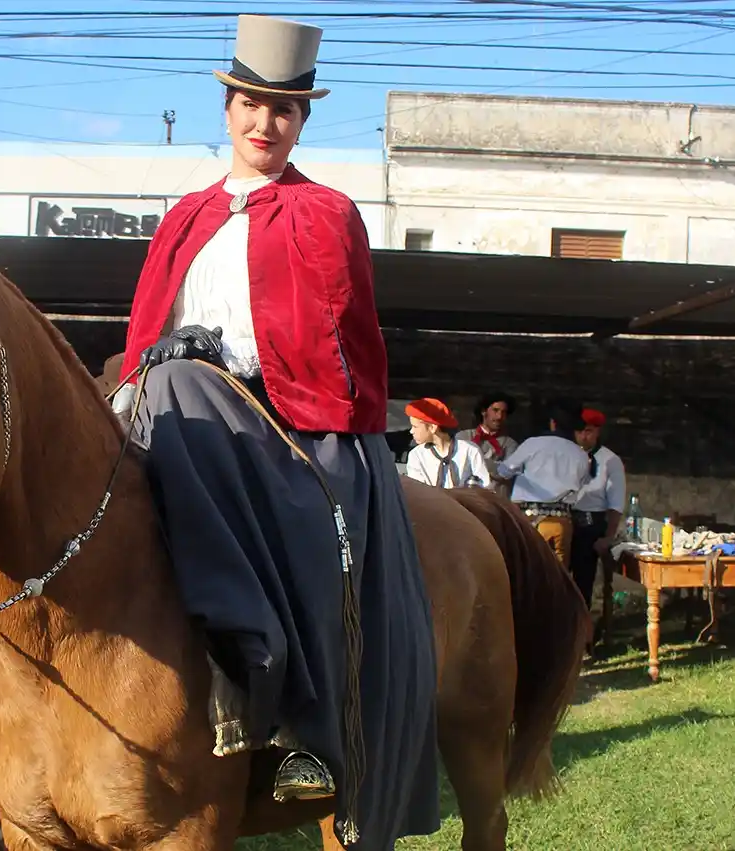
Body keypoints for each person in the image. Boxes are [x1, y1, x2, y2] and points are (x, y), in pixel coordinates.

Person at [112, 14, 438, 848]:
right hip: (177, 404)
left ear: (301, 122)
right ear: (226, 109)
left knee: (305, 528)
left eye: (284, 110)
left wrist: (211, 357)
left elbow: (337, 343)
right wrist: (157, 360)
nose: (266, 123)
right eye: (252, 104)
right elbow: (149, 327)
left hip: (293, 418)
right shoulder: (184, 216)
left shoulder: (327, 213)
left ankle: (292, 712)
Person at [496, 400, 592, 569]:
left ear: (552, 423)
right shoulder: (581, 455)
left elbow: (504, 471)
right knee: (558, 574)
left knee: (527, 570)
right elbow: (583, 483)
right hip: (562, 521)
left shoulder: (533, 444)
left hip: (529, 519)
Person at [571, 408, 626, 612]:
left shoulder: (610, 461)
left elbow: (616, 502)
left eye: (588, 431)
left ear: (597, 432)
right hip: (565, 522)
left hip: (590, 525)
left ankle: (583, 634)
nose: (583, 436)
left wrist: (608, 537)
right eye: (579, 431)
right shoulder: (566, 455)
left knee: (582, 584)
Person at [404, 397, 491, 489]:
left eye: (415, 426)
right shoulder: (417, 455)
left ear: (432, 428)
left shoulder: (469, 450)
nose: (411, 431)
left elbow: (484, 486)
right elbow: (417, 491)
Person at [455, 392, 519, 494]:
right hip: (465, 497)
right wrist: (495, 465)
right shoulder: (463, 437)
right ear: (484, 411)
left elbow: (507, 473)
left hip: (496, 500)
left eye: (504, 412)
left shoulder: (510, 444)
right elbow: (458, 465)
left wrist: (475, 459)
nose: (499, 416)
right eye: (495, 410)